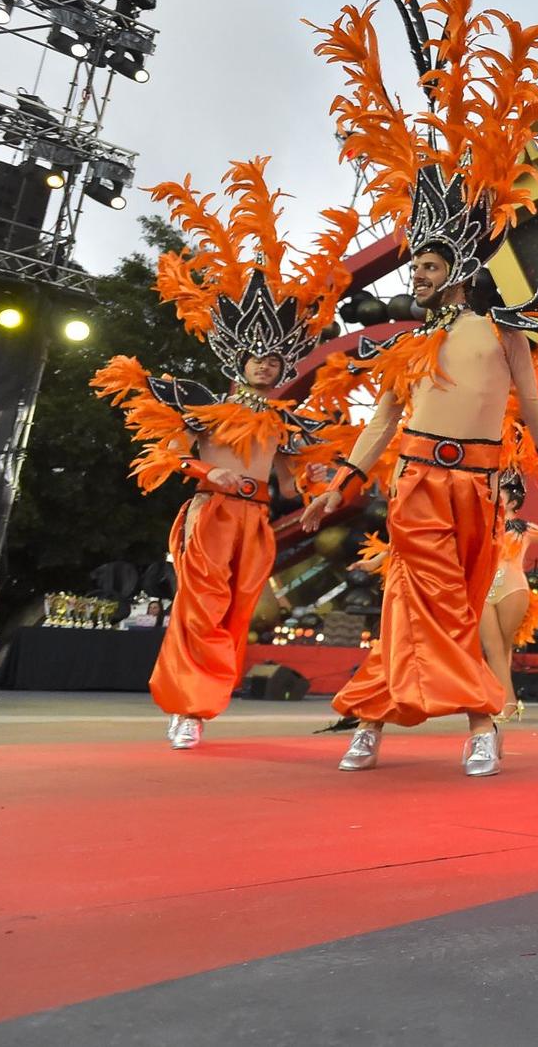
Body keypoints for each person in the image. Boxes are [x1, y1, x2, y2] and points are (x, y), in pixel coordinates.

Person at [299, 0, 538, 776]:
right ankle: (412, 717)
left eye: (431, 263)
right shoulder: (404, 344)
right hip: (418, 483)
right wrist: (344, 481)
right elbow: (384, 420)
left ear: (460, 265)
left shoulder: (500, 328)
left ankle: (447, 721)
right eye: (415, 264)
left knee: (454, 606)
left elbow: (532, 399)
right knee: (416, 591)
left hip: (480, 487)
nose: (418, 274)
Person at [92, 157, 355, 751]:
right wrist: (210, 470)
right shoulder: (202, 404)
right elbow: (172, 457)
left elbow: (295, 479)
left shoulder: (287, 419)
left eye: (272, 359)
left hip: (256, 522)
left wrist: (318, 485)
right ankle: (186, 706)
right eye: (255, 358)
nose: (263, 364)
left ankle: (204, 704)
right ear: (239, 362)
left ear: (282, 367)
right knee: (199, 607)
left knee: (237, 612)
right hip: (211, 513)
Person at [484, 472, 538, 721]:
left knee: (501, 645)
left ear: (512, 502)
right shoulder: (484, 526)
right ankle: (502, 700)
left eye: (499, 495)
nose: (493, 498)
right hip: (485, 590)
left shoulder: (524, 530)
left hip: (512, 588)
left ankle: (506, 702)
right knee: (492, 647)